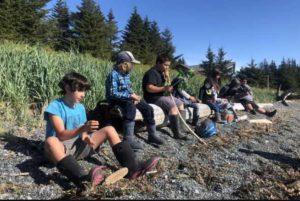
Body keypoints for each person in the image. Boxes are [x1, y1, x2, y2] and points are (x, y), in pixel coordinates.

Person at [44, 72, 159, 189]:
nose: (83, 95)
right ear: (68, 88)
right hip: (59, 150)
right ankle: (83, 180)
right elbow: (61, 135)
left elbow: (82, 128)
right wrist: (83, 129)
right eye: (80, 90)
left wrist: (85, 135)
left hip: (78, 146)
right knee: (51, 140)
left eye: (85, 91)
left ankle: (133, 168)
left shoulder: (80, 107)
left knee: (109, 129)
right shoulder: (56, 106)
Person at [105, 51, 164, 150]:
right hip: (115, 100)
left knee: (147, 108)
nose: (133, 66)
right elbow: (113, 93)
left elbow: (128, 89)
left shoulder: (126, 75)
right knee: (130, 107)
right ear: (124, 64)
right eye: (131, 64)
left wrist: (134, 96)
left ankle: (152, 135)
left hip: (126, 98)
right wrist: (130, 96)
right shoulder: (113, 75)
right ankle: (128, 139)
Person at [142, 54, 188, 140]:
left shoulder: (161, 72)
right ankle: (177, 133)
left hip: (161, 96)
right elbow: (149, 88)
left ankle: (182, 128)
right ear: (158, 63)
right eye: (165, 65)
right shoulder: (151, 73)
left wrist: (167, 76)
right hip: (153, 97)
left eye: (168, 66)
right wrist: (164, 88)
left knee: (180, 103)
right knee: (173, 107)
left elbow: (169, 85)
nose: (167, 67)